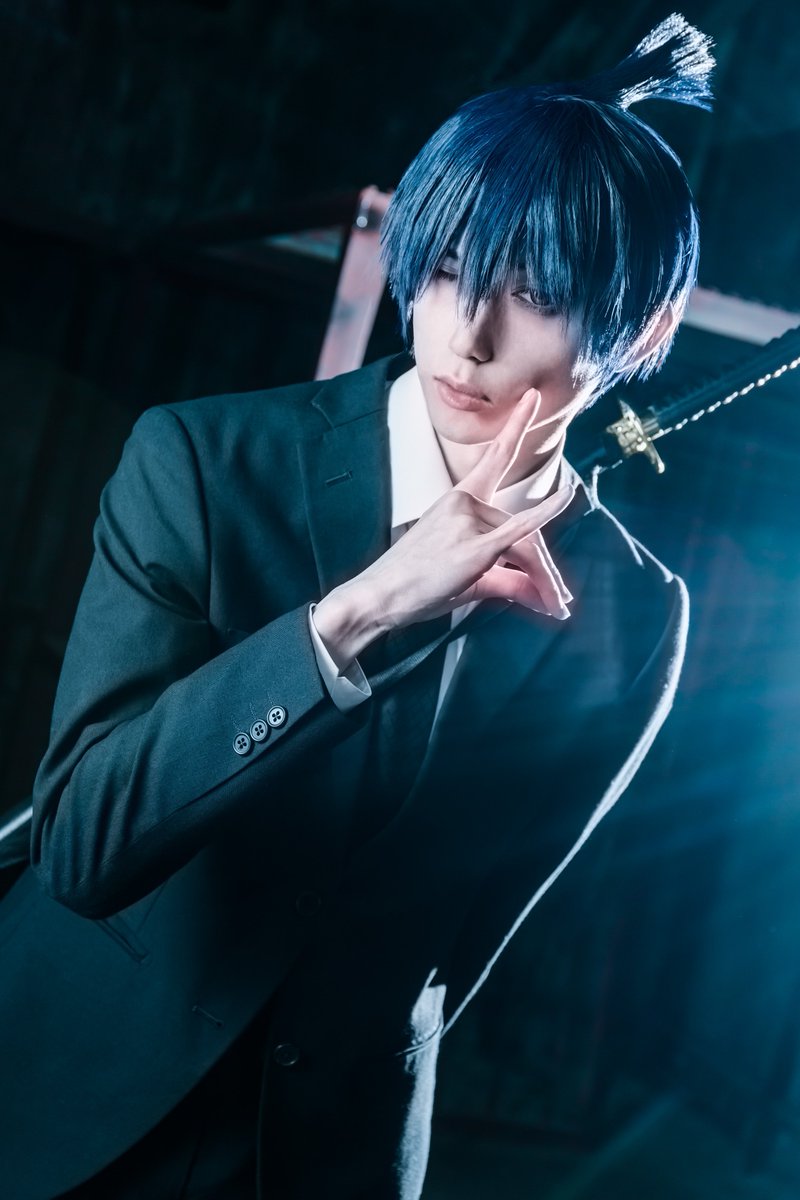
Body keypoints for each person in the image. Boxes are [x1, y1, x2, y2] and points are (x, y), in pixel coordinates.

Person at [0, 13, 712, 1200]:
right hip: (63, 1099)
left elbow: (465, 943)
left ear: (635, 327)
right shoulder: (204, 466)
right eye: (444, 272)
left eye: (532, 293)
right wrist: (360, 612)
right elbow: (82, 842)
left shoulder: (637, 614)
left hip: (322, 1159)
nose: (466, 337)